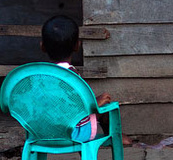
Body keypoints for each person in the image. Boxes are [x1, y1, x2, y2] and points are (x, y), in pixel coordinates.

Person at [41, 15, 132, 145]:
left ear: (42, 46)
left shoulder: (39, 76)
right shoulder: (71, 75)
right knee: (106, 107)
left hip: (43, 132)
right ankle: (114, 136)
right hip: (73, 134)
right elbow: (77, 109)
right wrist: (95, 103)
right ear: (77, 46)